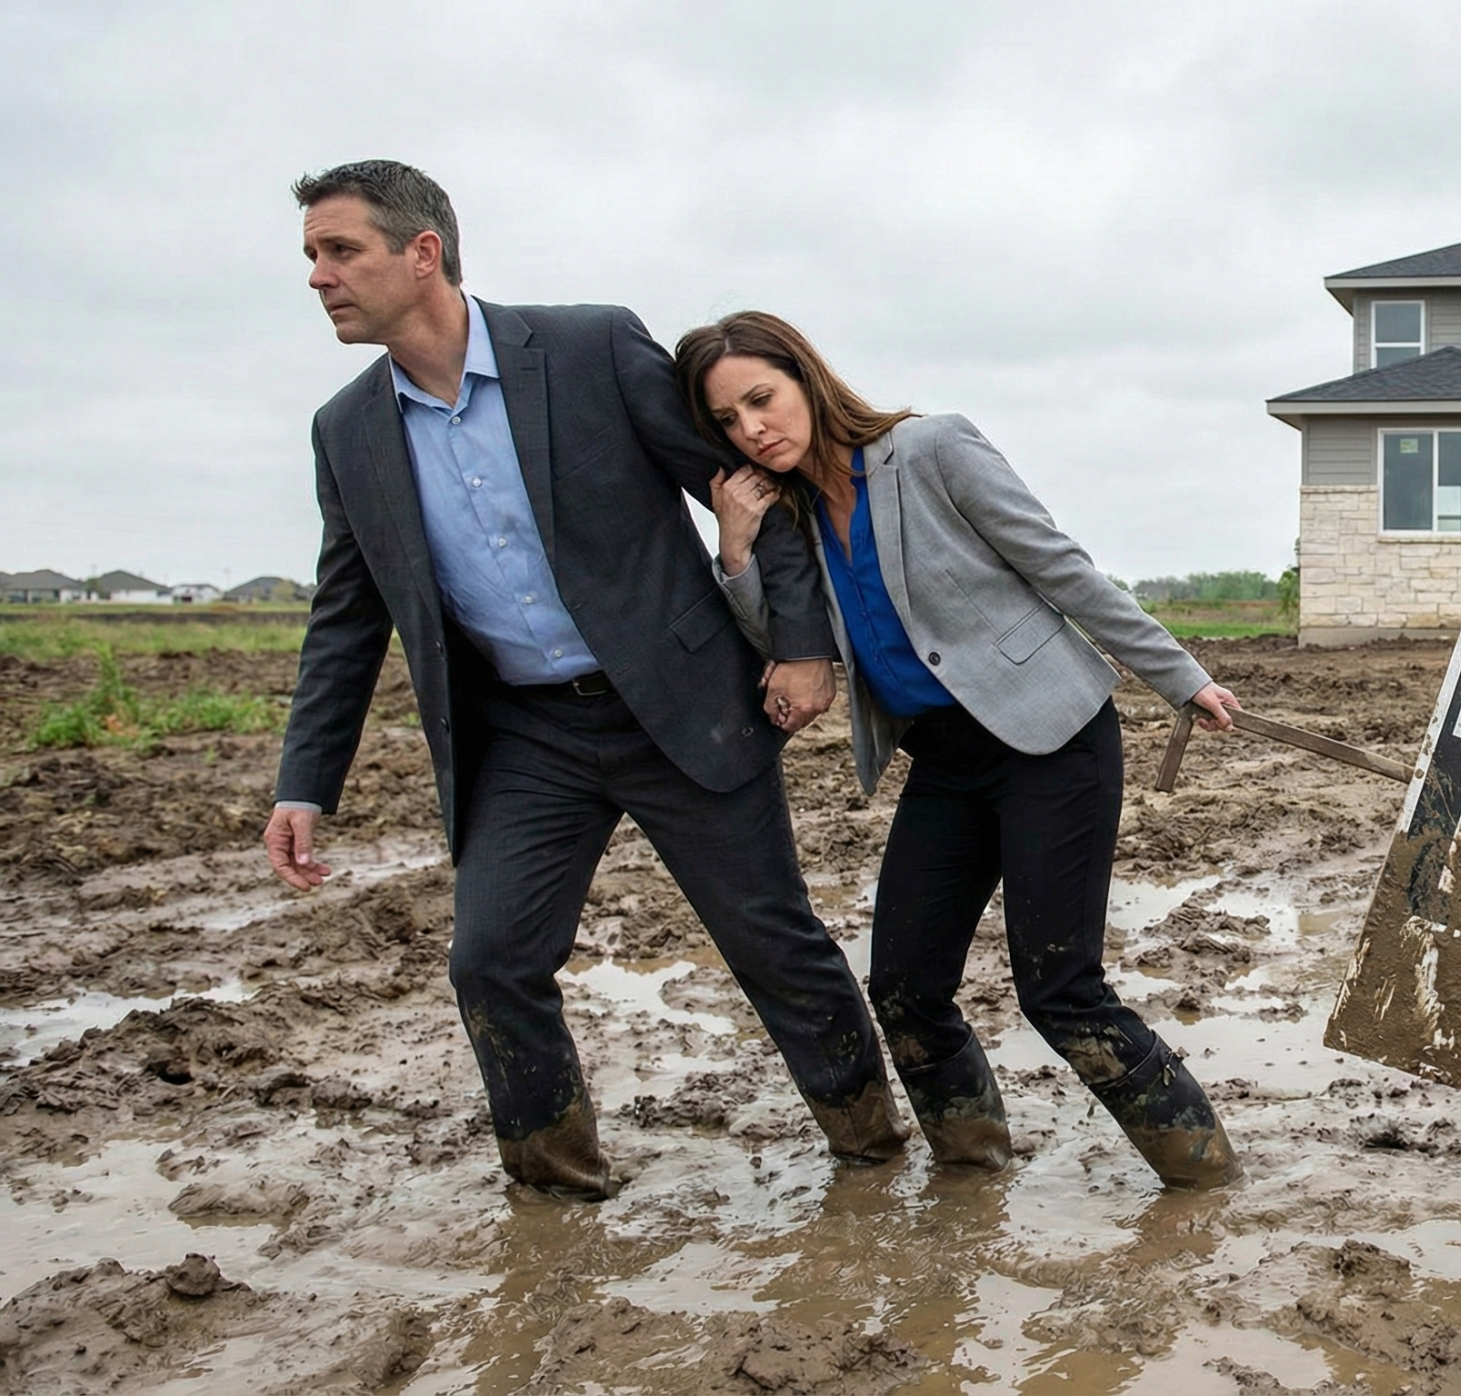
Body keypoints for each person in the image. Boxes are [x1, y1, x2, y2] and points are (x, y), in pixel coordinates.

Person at [264, 161, 904, 1200]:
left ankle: (870, 1149)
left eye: (339, 251)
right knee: (491, 961)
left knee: (771, 942)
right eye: (311, 257)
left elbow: (744, 485)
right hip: (523, 737)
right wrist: (305, 782)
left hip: (680, 707)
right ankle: (554, 1190)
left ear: (421, 252)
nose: (318, 277)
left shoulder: (589, 347)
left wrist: (800, 642)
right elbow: (346, 614)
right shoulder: (347, 430)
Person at [673, 311, 1245, 1188]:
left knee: (1060, 990)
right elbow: (796, 648)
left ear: (807, 380)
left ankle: (1205, 1179)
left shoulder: (932, 450)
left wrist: (1179, 676)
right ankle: (970, 1174)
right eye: (728, 420)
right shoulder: (788, 516)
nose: (753, 428)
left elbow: (1058, 565)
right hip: (943, 763)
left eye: (762, 399)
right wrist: (737, 546)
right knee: (903, 986)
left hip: (1051, 740)